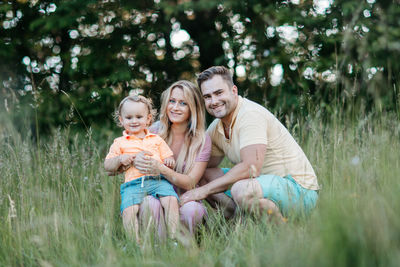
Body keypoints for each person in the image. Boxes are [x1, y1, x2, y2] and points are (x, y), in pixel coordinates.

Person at [180, 66, 320, 222]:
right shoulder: (217, 127)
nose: (214, 101)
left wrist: (203, 191)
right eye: (207, 96)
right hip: (262, 186)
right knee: (203, 175)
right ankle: (238, 223)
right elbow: (200, 166)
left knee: (242, 189)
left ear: (234, 91)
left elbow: (250, 168)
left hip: (299, 190)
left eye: (219, 93)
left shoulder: (249, 115)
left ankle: (286, 236)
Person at [133, 80, 211, 235]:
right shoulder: (152, 132)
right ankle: (159, 251)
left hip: (184, 199)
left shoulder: (201, 140)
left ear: (193, 108)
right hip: (154, 196)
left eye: (183, 103)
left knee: (193, 210)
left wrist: (162, 169)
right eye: (172, 101)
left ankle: (182, 248)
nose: (175, 108)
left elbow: (190, 182)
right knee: (150, 204)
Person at [104, 95, 179, 243]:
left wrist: (170, 161)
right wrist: (119, 159)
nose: (134, 121)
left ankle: (173, 238)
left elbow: (168, 157)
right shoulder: (119, 143)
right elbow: (107, 165)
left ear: (148, 119)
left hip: (158, 180)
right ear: (121, 120)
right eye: (129, 117)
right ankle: (135, 242)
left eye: (139, 117)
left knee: (171, 200)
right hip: (133, 184)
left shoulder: (156, 139)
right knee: (128, 211)